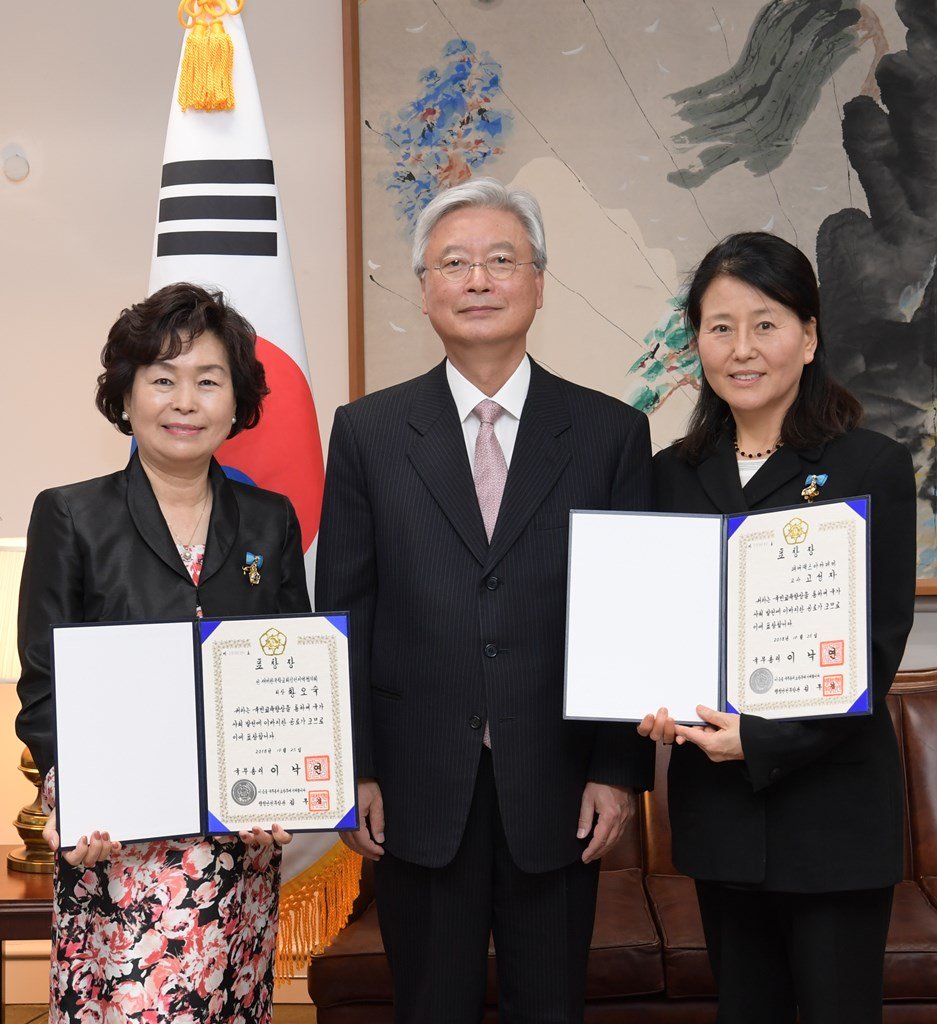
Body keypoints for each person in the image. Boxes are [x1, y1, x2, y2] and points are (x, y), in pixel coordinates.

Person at [315, 177, 654, 1023]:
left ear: (537, 284)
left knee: (551, 1009)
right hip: (415, 784)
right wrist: (352, 767)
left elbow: (628, 616)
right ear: (423, 288)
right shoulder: (368, 431)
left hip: (560, 785)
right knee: (430, 1007)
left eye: (501, 261)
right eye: (454, 263)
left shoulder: (611, 432)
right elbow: (345, 612)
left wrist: (616, 773)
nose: (477, 281)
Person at [639, 232, 917, 1023]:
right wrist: (648, 698)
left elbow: (874, 646)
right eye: (718, 327)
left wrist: (759, 740)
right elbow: (653, 624)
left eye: (764, 324)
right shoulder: (669, 475)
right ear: (695, 342)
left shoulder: (868, 466)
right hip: (720, 818)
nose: (741, 349)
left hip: (831, 813)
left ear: (809, 335)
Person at [16, 282, 310, 1023]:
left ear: (237, 400)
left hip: (238, 846)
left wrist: (283, 791)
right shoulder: (71, 515)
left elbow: (292, 666)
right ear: (126, 395)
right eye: (162, 379)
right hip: (116, 842)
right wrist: (69, 794)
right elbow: (46, 682)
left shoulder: (271, 521)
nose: (185, 401)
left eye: (208, 381)